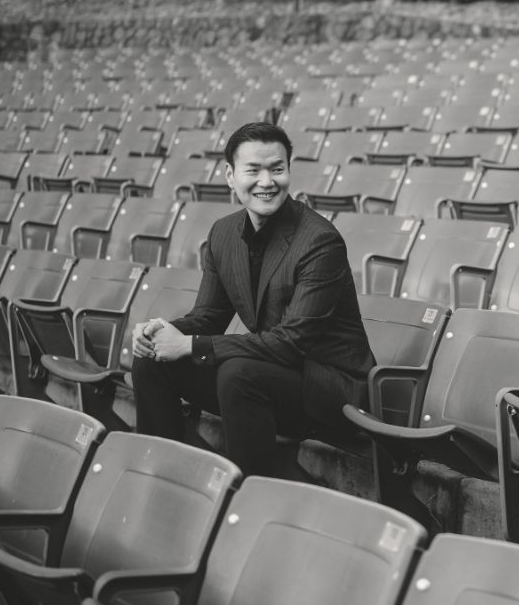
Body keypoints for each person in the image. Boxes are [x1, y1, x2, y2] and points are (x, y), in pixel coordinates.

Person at [130, 121, 374, 481]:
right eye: (253, 170)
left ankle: (249, 501)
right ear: (230, 175)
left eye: (277, 169)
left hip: (328, 388)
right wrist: (161, 332)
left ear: (289, 171)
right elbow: (208, 315)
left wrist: (191, 345)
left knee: (238, 374)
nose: (267, 181)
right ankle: (160, 478)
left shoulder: (320, 242)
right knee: (152, 360)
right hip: (269, 377)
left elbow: (292, 344)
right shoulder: (224, 234)